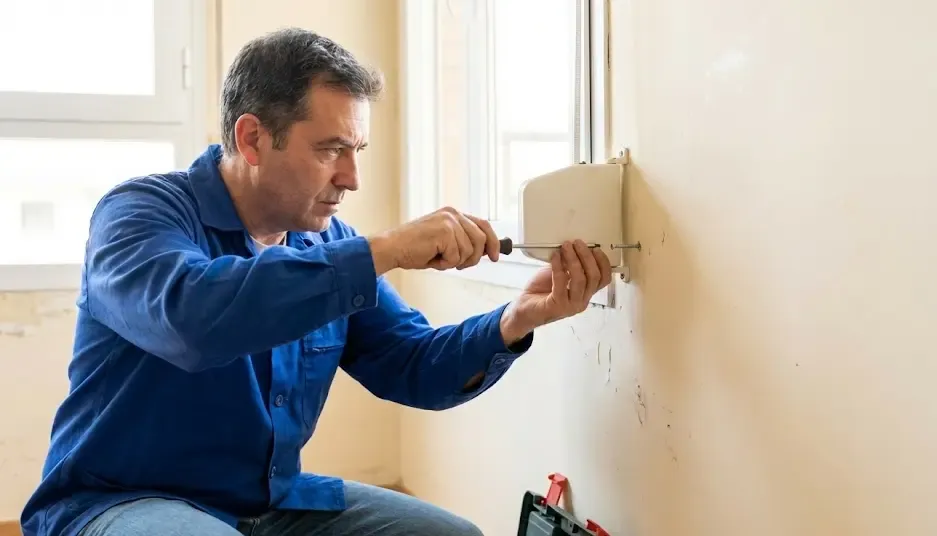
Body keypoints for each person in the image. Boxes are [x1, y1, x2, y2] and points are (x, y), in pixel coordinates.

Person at [20, 28, 612, 536]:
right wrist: (384, 250)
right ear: (252, 138)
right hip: (120, 499)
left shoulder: (327, 245)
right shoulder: (138, 214)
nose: (351, 177)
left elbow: (409, 362)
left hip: (267, 503)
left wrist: (516, 320)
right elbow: (194, 319)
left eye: (355, 149)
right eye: (331, 150)